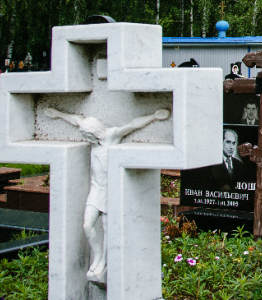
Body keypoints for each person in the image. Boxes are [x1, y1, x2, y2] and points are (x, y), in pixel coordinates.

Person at [44, 106, 170, 285]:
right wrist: (57, 114)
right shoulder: (91, 139)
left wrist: (154, 116)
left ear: (94, 132)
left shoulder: (111, 136)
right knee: (87, 224)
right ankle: (98, 255)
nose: (86, 139)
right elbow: (76, 120)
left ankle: (103, 262)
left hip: (110, 190)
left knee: (107, 227)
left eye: (87, 136)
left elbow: (132, 125)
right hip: (96, 189)